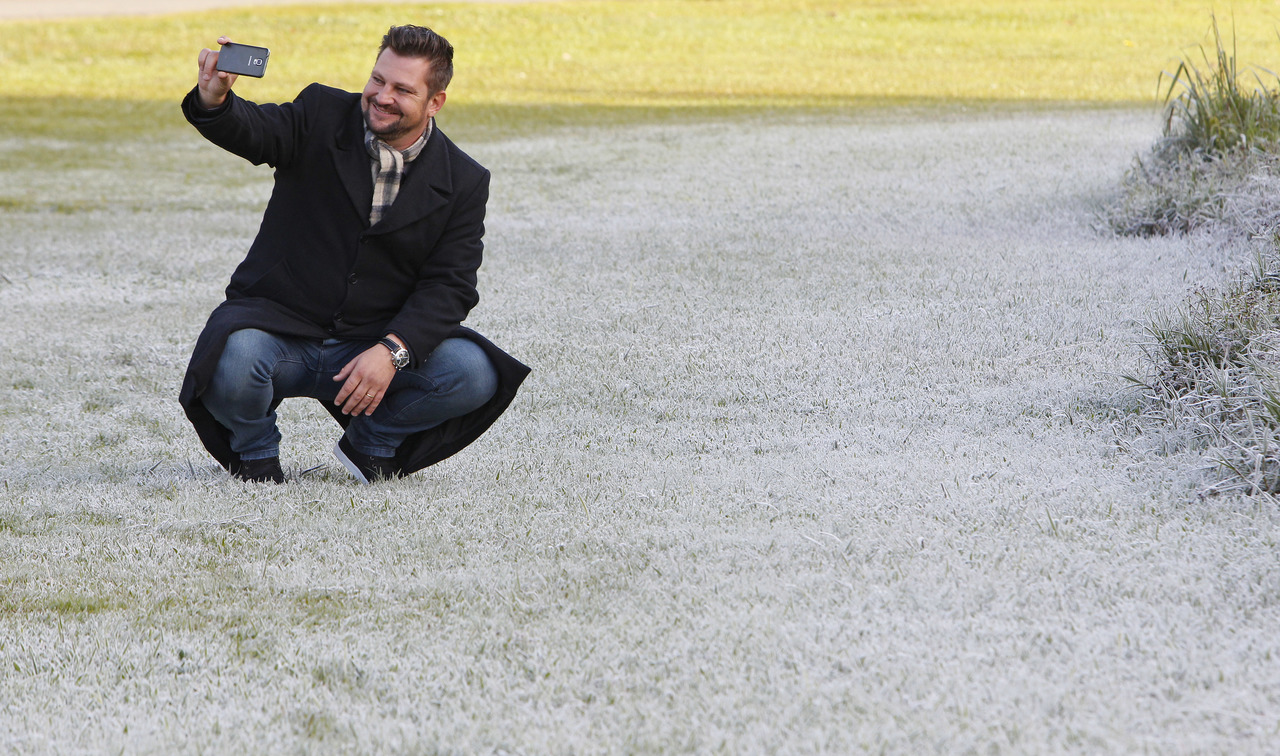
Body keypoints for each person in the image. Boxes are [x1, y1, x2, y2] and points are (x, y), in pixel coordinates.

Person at [179, 25, 529, 484]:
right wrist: (215, 100)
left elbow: (450, 285)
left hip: (370, 343)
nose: (381, 96)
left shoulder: (464, 180)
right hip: (279, 330)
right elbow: (256, 132)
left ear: (435, 102)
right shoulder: (321, 112)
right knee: (232, 354)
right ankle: (255, 453)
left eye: (402, 89)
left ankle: (370, 446)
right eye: (377, 79)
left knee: (473, 371)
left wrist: (392, 351)